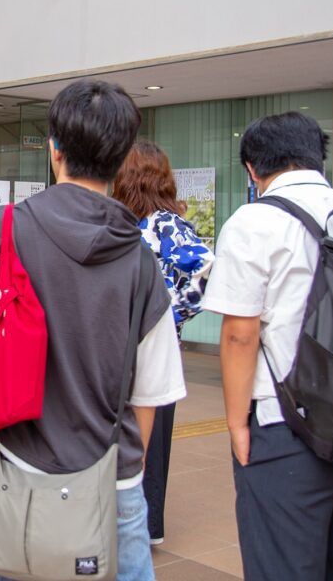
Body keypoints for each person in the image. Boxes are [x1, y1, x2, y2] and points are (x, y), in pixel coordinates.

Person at [0, 80, 187, 581]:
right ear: (122, 156)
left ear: (54, 151)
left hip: (21, 469)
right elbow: (151, 394)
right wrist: (122, 467)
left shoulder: (5, 229)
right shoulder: (141, 259)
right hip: (112, 484)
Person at [202, 112, 333, 581]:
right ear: (318, 156)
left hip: (285, 425)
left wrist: (235, 423)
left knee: (284, 566)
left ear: (252, 168)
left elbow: (239, 333)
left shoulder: (255, 221)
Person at [112, 141, 214, 546]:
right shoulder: (129, 222)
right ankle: (133, 523)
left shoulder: (165, 224)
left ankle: (144, 528)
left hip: (151, 347)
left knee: (147, 441)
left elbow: (207, 269)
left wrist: (168, 317)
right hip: (125, 346)